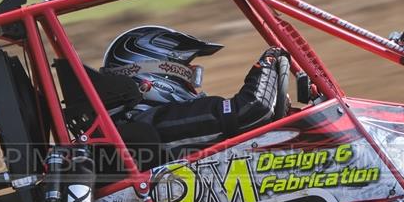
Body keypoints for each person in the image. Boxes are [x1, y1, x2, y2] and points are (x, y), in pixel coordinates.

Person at [100, 25, 290, 161]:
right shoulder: (159, 122)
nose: (192, 86)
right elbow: (252, 108)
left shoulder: (138, 124)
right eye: (187, 75)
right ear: (153, 79)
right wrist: (270, 60)